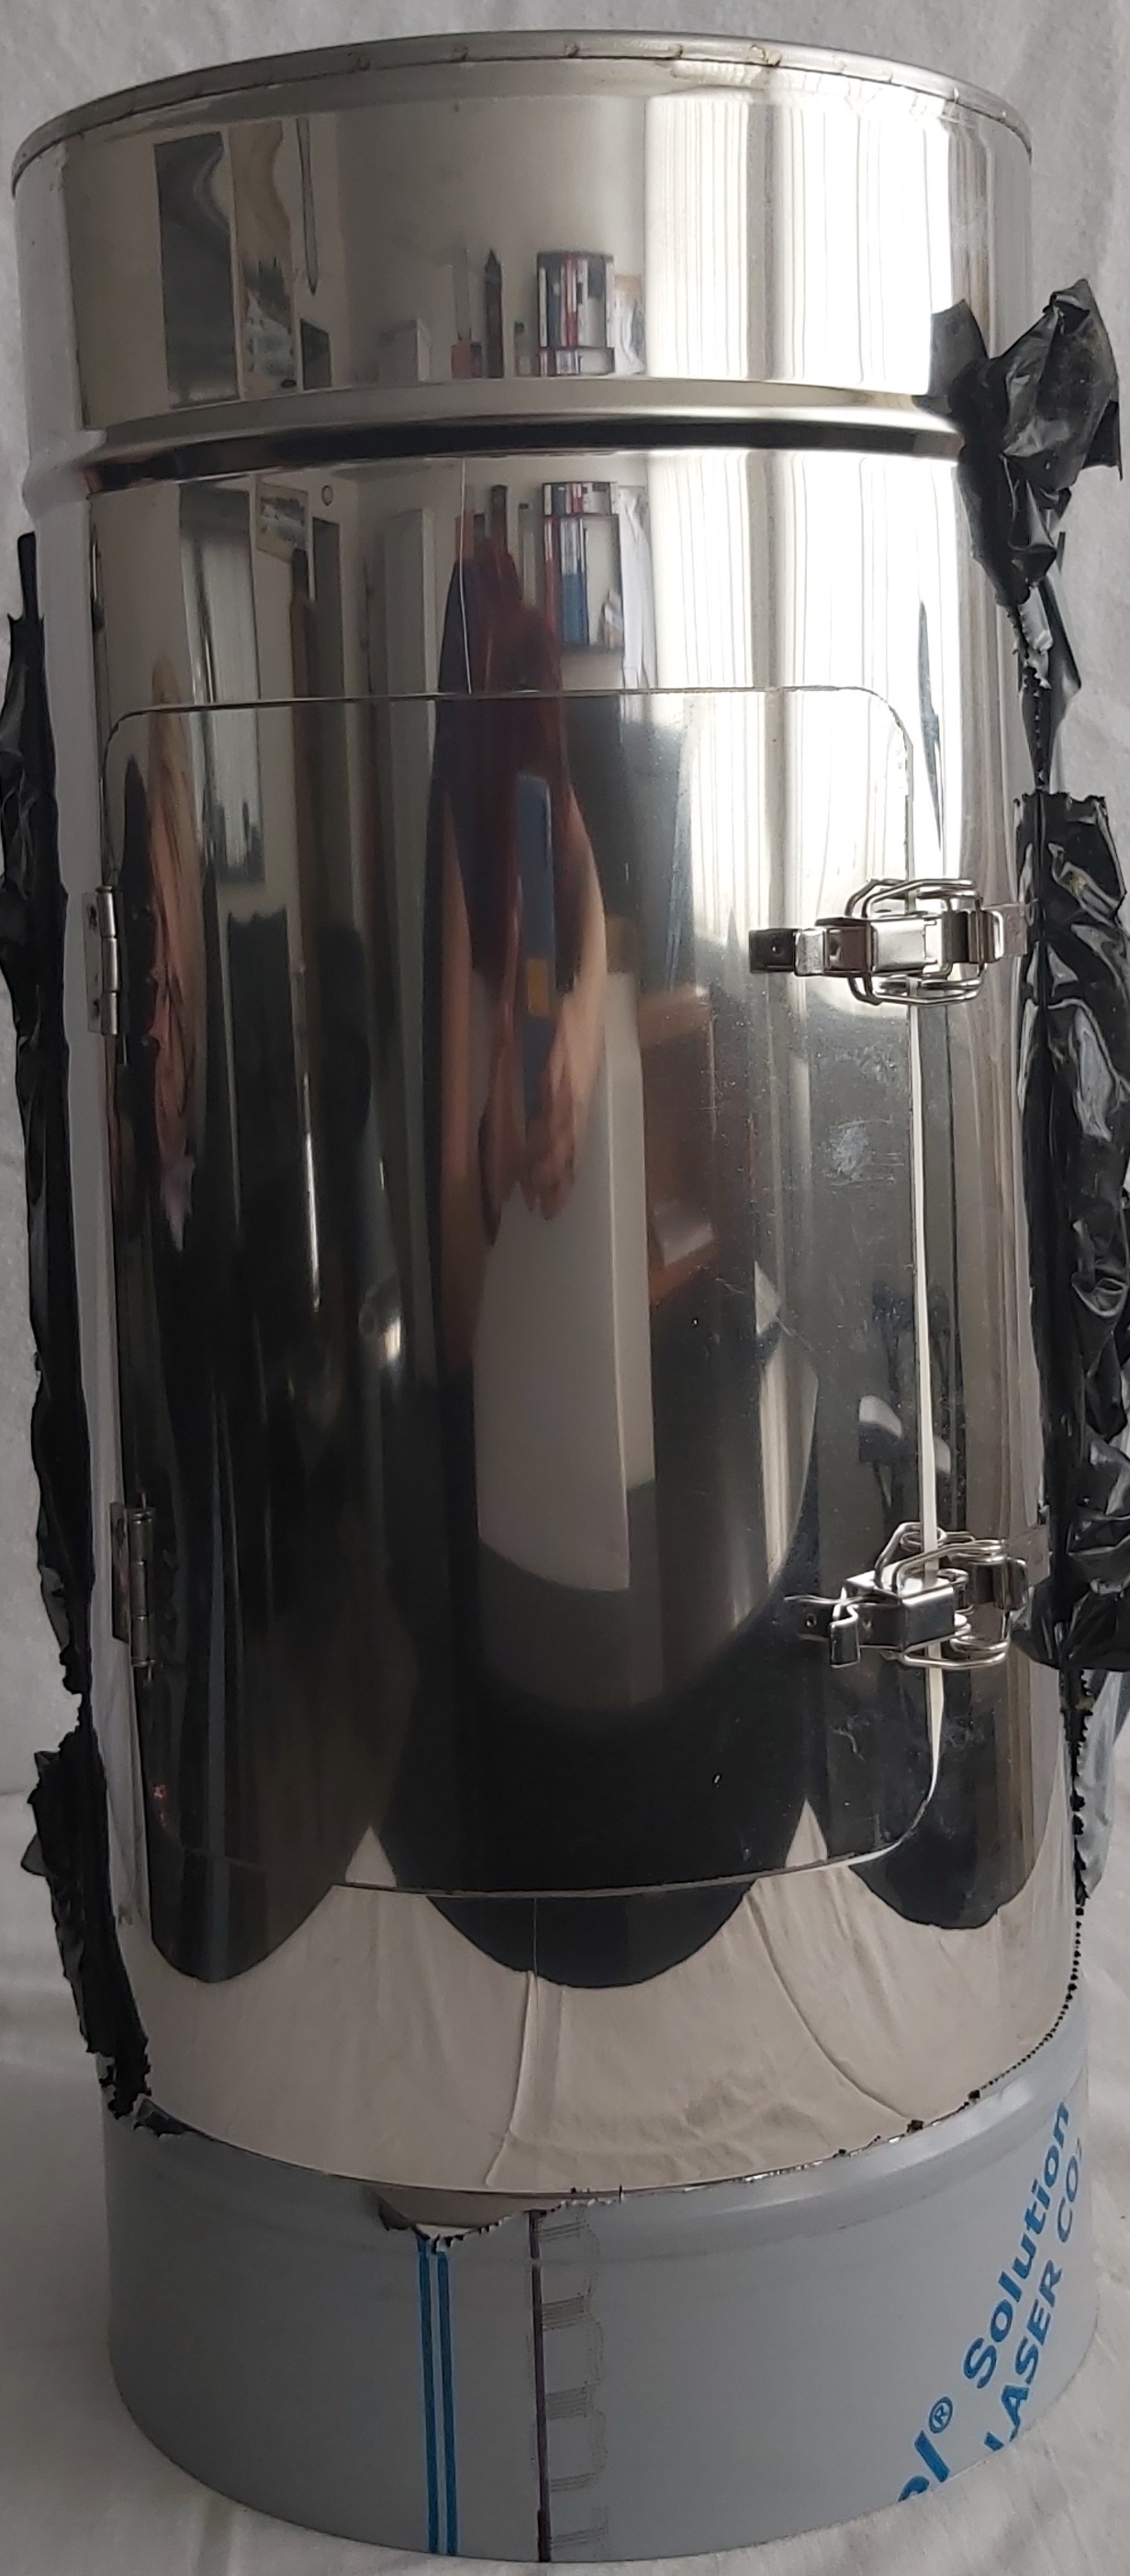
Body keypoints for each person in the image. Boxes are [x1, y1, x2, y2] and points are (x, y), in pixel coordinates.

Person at [432, 539, 607, 1374]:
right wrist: (493, 1156)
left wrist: (579, 1020)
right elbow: (456, 1330)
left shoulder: (541, 791)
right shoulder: (455, 841)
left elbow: (579, 869)